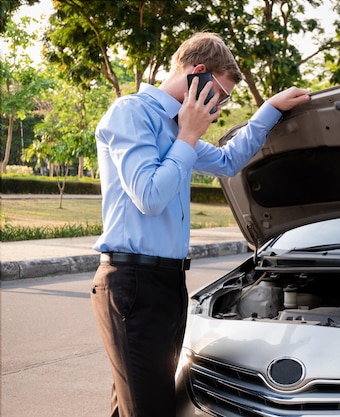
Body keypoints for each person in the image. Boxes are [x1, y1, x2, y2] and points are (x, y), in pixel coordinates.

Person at [90, 32, 310, 417]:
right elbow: (149, 196)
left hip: (168, 284)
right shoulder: (132, 113)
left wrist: (270, 109)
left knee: (136, 403)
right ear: (198, 73)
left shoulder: (177, 127)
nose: (219, 107)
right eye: (220, 96)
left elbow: (227, 161)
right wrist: (189, 135)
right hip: (132, 283)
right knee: (151, 408)